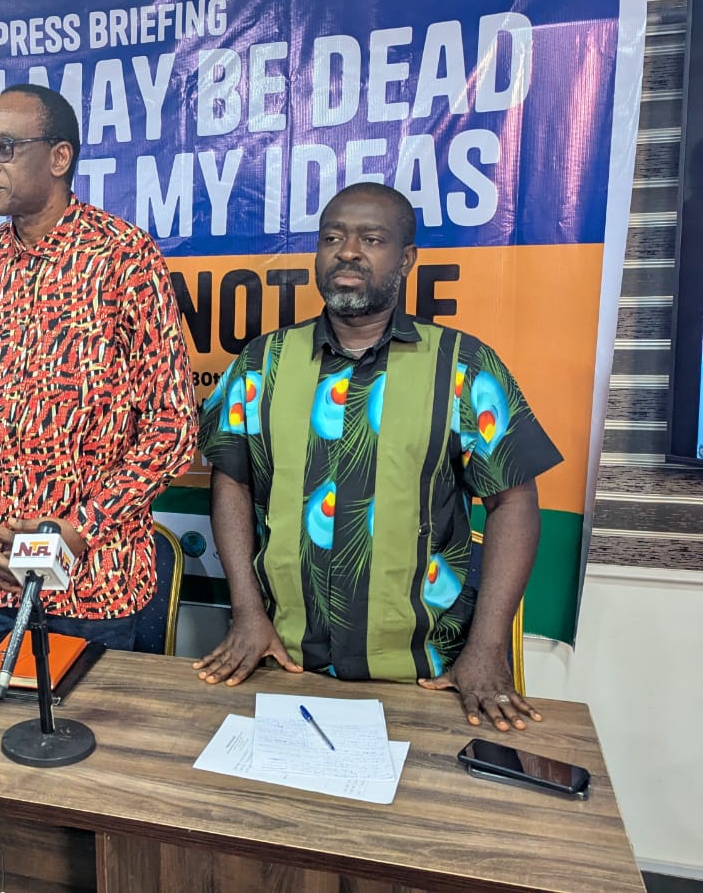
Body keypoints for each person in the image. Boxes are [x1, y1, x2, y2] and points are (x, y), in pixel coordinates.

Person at [193, 182, 563, 731]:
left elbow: (513, 502)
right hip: (284, 660)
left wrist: (486, 648)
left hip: (427, 673)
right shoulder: (260, 363)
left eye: (371, 239)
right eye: (333, 237)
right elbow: (232, 484)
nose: (348, 252)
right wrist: (247, 614)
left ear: (407, 259)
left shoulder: (463, 367)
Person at [0, 84, 198, 651]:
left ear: (59, 157)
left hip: (97, 583)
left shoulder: (123, 257)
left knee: (94, 737)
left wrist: (81, 528)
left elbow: (173, 425)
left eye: (3, 147)